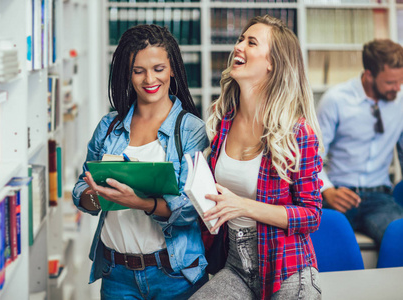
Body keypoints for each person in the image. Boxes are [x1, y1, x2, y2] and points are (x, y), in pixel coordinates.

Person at [190, 15, 323, 300]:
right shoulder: (222, 121)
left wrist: (243, 207)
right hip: (236, 264)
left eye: (251, 42)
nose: (239, 47)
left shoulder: (297, 132)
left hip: (287, 269)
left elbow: (312, 216)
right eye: (241, 40)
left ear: (272, 63)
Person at [72, 24, 209, 299]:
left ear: (172, 69)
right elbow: (80, 192)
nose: (150, 79)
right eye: (139, 71)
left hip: (174, 274)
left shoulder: (191, 130)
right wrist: (95, 195)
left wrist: (139, 202)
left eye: (158, 68)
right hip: (117, 275)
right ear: (128, 73)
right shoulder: (109, 126)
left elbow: (193, 209)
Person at [316, 39, 403, 247]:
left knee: (400, 240)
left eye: (400, 81)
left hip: (380, 200)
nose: (397, 88)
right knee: (322, 247)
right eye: (390, 83)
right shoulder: (335, 100)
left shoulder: (400, 101)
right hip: (338, 196)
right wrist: (327, 190)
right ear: (369, 75)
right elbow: (312, 155)